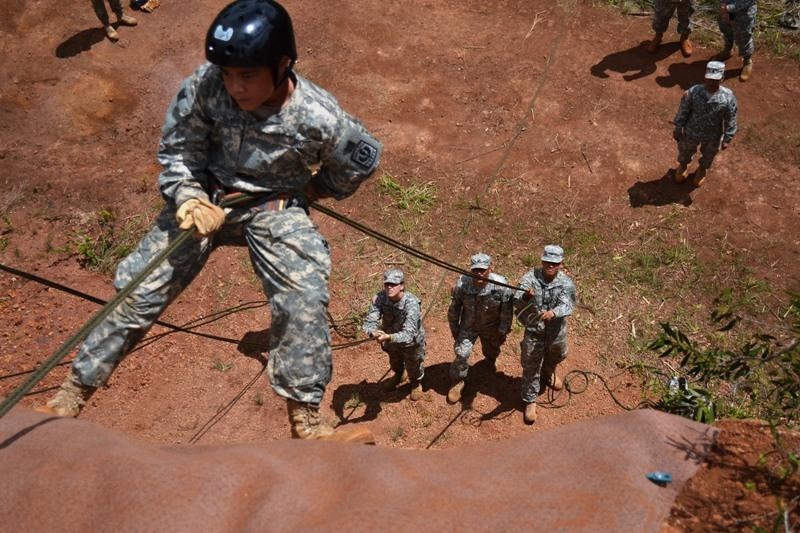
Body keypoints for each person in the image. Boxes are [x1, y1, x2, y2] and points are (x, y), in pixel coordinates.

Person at [38, 0, 381, 444]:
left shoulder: (319, 115)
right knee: (139, 290)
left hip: (273, 208)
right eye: (227, 74)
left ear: (281, 65)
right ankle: (70, 396)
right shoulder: (205, 86)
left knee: (303, 296)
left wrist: (315, 191)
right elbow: (180, 149)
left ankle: (308, 423)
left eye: (247, 75)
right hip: (205, 201)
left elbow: (362, 159)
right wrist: (188, 194)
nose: (234, 86)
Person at [514, 245, 576, 425]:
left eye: (554, 263)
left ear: (560, 264)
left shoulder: (566, 283)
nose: (550, 266)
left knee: (558, 354)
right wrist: (525, 296)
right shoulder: (529, 278)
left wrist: (554, 313)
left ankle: (547, 372)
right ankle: (530, 400)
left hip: (556, 331)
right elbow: (517, 298)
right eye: (547, 262)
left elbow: (568, 304)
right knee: (531, 364)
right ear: (542, 261)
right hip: (534, 330)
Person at [445, 253, 513, 404]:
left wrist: (503, 331)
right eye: (475, 270)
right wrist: (454, 328)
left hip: (491, 327)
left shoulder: (502, 286)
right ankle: (458, 381)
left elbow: (506, 312)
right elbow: (454, 308)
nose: (479, 274)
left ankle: (490, 360)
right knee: (462, 353)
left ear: (490, 268)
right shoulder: (462, 284)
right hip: (468, 326)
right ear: (471, 270)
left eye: (483, 270)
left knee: (492, 349)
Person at [362, 269, 426, 402]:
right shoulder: (379, 298)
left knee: (413, 365)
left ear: (402, 285)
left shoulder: (411, 303)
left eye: (393, 284)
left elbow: (409, 334)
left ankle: (415, 383)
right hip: (390, 340)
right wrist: (373, 332)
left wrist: (389, 337)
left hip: (410, 343)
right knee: (394, 362)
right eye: (387, 284)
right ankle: (399, 375)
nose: (389, 287)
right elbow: (369, 322)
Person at [672, 61, 738, 187]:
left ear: (722, 78)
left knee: (709, 154)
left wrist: (728, 137)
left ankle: (702, 169)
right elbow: (683, 110)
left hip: (712, 135)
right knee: (685, 150)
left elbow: (731, 118)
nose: (712, 83)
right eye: (710, 79)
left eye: (716, 80)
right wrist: (678, 126)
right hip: (691, 131)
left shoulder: (728, 97)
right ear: (705, 77)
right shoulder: (693, 92)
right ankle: (683, 165)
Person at [716, 0, 758, 81]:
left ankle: (747, 62)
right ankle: (727, 51)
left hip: (743, 13)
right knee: (726, 31)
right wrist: (723, 6)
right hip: (725, 8)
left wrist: (727, 8)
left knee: (743, 37)